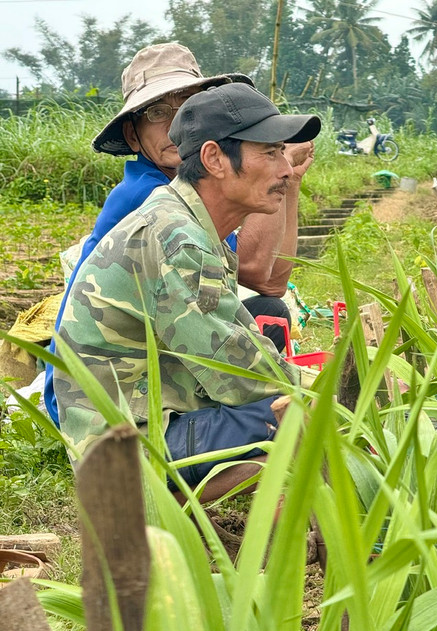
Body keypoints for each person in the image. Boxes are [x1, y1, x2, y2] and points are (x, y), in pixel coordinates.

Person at [55, 82, 321, 501]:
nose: (285, 169)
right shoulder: (176, 237)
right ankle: (164, 513)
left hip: (150, 421)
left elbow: (240, 334)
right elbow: (237, 374)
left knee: (295, 405)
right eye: (270, 153)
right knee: (298, 417)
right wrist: (331, 393)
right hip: (123, 450)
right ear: (215, 158)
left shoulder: (191, 221)